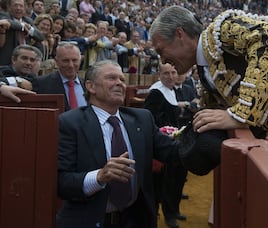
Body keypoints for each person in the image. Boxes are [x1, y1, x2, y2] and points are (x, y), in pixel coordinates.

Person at [149, 6, 268, 214]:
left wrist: (241, 113)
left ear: (180, 34)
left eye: (161, 50)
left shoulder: (221, 32)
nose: (162, 60)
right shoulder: (206, 69)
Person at [56, 60, 180, 228]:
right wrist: (99, 176)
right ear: (91, 86)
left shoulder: (142, 119)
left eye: (122, 79)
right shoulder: (70, 123)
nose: (119, 84)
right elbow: (62, 182)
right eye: (111, 78)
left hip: (136, 220)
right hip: (89, 220)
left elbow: (174, 152)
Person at [143, 63, 185, 228]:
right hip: (163, 145)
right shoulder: (156, 92)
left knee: (175, 180)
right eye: (166, 73)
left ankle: (173, 210)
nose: (171, 76)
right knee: (165, 183)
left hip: (174, 141)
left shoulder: (171, 90)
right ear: (159, 75)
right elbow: (150, 118)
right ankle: (168, 215)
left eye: (173, 72)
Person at [32, 42, 86, 111]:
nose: (71, 65)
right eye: (65, 61)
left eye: (74, 60)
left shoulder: (88, 86)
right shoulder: (42, 84)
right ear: (56, 62)